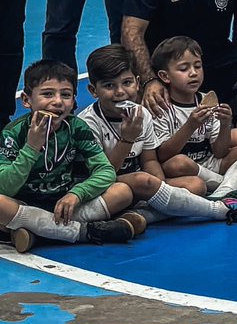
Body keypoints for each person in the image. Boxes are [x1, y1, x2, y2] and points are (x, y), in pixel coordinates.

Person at [79, 45, 237, 225]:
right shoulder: (88, 123)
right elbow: (103, 174)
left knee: (195, 186)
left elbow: (150, 161)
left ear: (137, 83)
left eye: (127, 83)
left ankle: (143, 215)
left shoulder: (141, 113)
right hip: (106, 184)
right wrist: (127, 139)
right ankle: (220, 208)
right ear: (93, 91)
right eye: (109, 86)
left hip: (145, 181)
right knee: (140, 182)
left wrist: (160, 188)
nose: (120, 92)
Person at [0, 59, 141, 252]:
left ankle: (36, 232)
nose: (57, 101)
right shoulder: (13, 133)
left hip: (65, 204)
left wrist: (77, 194)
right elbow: (5, 187)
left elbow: (106, 170)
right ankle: (85, 232)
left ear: (74, 100)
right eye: (47, 94)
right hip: (22, 204)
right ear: (26, 100)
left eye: (65, 95)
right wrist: (31, 148)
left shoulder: (76, 127)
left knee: (122, 191)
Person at [148, 36, 237, 196]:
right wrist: (191, 125)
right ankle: (227, 186)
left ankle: (221, 192)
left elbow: (220, 152)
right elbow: (163, 155)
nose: (193, 73)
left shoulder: (207, 99)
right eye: (183, 69)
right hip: (182, 169)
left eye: (198, 66)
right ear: (165, 76)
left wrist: (225, 124)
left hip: (208, 163)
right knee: (178, 163)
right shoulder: (160, 106)